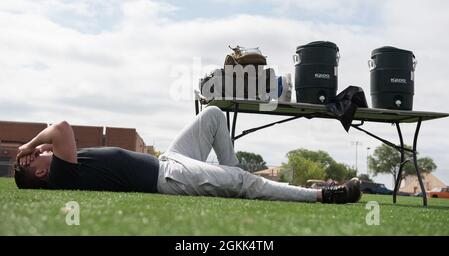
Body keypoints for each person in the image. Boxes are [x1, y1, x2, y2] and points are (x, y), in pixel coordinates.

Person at [14, 106, 361, 204]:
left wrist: (38, 149)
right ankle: (324, 194)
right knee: (241, 181)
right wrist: (30, 146)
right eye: (34, 161)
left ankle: (236, 182)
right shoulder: (61, 177)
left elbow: (57, 137)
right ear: (42, 174)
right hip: (169, 179)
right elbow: (60, 127)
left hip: (169, 159)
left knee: (212, 114)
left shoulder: (61, 167)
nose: (37, 153)